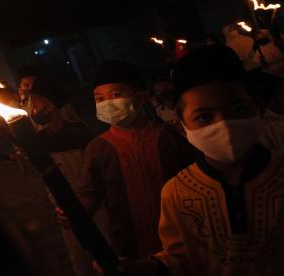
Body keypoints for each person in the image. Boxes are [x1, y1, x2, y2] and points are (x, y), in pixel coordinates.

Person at [146, 44, 284, 276]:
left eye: (238, 110)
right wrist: (150, 268)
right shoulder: (175, 193)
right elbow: (180, 259)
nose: (224, 124)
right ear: (183, 128)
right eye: (204, 117)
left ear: (258, 110)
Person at [58, 60, 196, 269]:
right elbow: (91, 193)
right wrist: (75, 211)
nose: (107, 103)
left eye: (115, 95)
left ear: (140, 97)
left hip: (183, 237)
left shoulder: (168, 135)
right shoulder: (98, 147)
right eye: (99, 98)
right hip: (129, 244)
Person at [29, 82, 103, 276]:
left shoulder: (80, 133)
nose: (31, 111)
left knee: (105, 252)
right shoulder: (41, 138)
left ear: (51, 106)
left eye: (35, 105)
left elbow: (96, 173)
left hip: (96, 208)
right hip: (64, 210)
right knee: (80, 260)